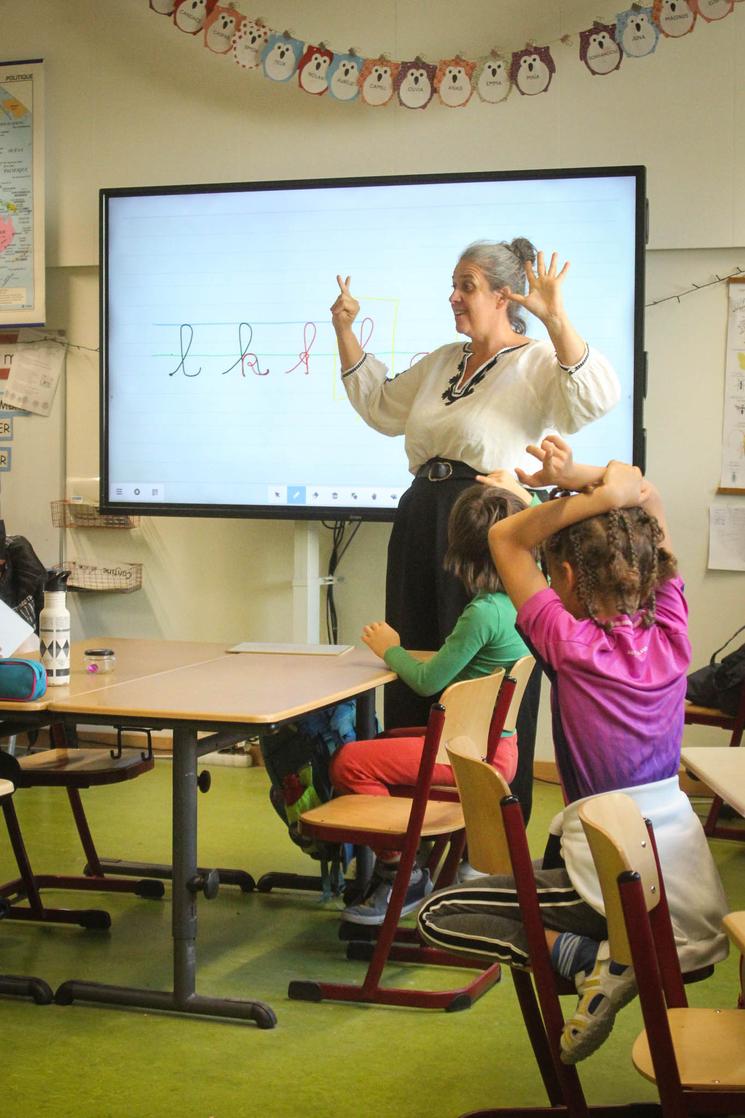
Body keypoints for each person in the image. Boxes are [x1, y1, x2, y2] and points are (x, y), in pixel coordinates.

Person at [416, 437, 729, 1064]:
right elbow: (648, 493)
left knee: (440, 912)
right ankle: (601, 954)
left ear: (562, 577)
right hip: (679, 869)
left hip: (611, 875)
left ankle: (593, 957)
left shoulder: (570, 644)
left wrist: (592, 490)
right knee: (532, 876)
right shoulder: (671, 627)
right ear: (644, 572)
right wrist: (593, 483)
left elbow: (506, 539)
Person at [331, 239, 620, 822]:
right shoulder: (443, 359)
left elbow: (595, 399)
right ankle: (409, 823)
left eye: (466, 285)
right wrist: (344, 330)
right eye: (454, 284)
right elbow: (383, 407)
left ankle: (484, 830)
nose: (454, 296)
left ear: (502, 295)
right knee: (417, 658)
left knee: (479, 668)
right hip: (421, 521)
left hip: (492, 526)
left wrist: (556, 317)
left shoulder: (537, 359)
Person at [330, 477, 535, 926]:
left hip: (467, 756)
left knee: (351, 762)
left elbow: (426, 680)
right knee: (386, 753)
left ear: (457, 549)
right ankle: (411, 860)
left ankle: (400, 870)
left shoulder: (482, 613)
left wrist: (389, 648)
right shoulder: (524, 602)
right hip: (495, 748)